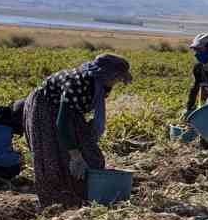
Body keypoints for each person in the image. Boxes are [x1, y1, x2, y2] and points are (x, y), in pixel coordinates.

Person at [23, 54, 132, 207]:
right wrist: (75, 155)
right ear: (107, 73)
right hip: (45, 106)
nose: (118, 81)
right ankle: (55, 202)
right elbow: (62, 123)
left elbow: (78, 109)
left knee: (91, 154)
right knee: (51, 156)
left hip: (68, 110)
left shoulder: (100, 85)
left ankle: (83, 194)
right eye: (118, 77)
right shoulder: (78, 82)